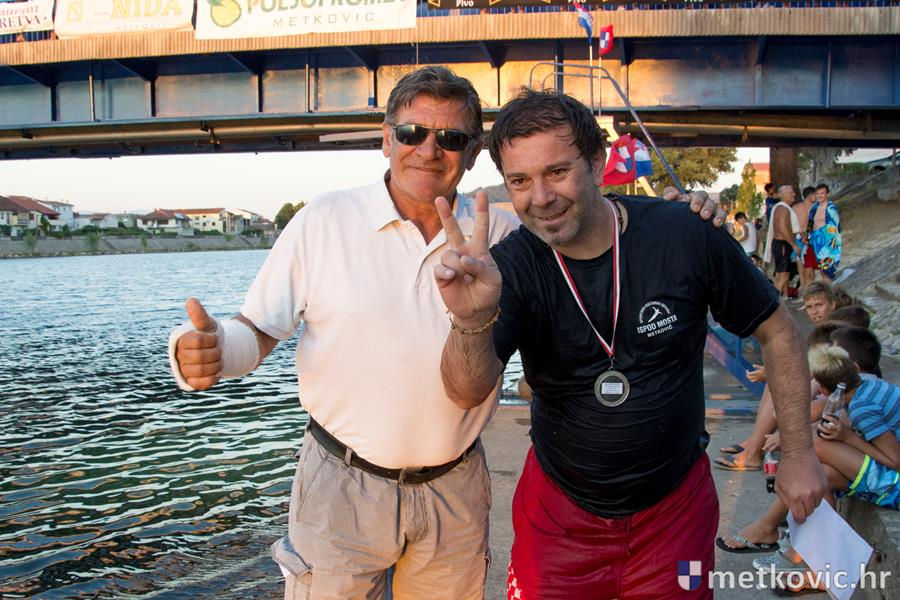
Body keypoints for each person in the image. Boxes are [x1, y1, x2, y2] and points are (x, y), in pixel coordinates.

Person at [166, 68, 723, 600]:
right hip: (341, 484)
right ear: (386, 140)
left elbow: (590, 224)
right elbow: (259, 329)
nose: (429, 149)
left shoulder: (507, 233)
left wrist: (680, 216)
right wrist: (217, 350)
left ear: (473, 153)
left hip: (455, 486)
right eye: (412, 132)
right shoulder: (324, 220)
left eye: (451, 138)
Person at [431, 89, 827, 599]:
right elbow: (466, 391)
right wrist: (470, 320)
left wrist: (799, 453)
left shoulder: (685, 233)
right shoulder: (510, 266)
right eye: (520, 181)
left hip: (676, 512)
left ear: (597, 163)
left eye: (557, 171)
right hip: (559, 518)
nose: (541, 197)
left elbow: (778, 332)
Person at [718, 335, 897, 564]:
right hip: (887, 473)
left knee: (815, 447)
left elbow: (895, 460)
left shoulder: (863, 408)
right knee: (821, 475)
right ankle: (810, 558)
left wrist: (848, 437)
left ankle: (773, 531)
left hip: (896, 483)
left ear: (822, 388)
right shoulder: (866, 386)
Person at [763, 185, 802, 300]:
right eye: (791, 192)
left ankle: (778, 299)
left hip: (782, 244)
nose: (793, 194)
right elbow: (782, 229)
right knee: (783, 274)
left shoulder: (782, 207)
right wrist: (794, 245)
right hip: (782, 244)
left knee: (783, 274)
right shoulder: (782, 208)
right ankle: (772, 302)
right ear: (782, 194)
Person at [808, 183, 842, 280]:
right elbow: (810, 224)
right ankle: (828, 287)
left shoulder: (831, 208)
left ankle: (830, 288)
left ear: (827, 194)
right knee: (822, 271)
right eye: (817, 193)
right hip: (815, 243)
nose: (819, 196)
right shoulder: (814, 208)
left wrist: (833, 245)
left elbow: (836, 227)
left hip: (827, 243)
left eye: (822, 193)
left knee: (827, 271)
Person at [794, 186, 817, 289]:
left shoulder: (796, 207)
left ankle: (805, 289)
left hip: (798, 237)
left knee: (802, 268)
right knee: (809, 268)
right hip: (806, 238)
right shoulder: (813, 208)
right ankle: (809, 290)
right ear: (810, 195)